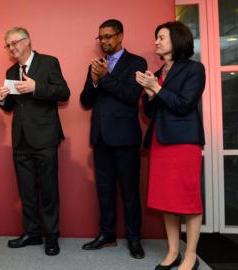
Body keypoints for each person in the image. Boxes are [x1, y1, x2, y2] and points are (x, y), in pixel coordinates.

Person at [135, 21, 205, 270]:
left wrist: (155, 87)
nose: (156, 42)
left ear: (177, 39)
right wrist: (150, 92)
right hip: (160, 140)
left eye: (161, 37)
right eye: (156, 38)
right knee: (167, 199)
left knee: (188, 199)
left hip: (184, 142)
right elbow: (151, 110)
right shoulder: (158, 71)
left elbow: (185, 104)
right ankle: (173, 251)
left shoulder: (195, 69)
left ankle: (191, 255)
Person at [0, 27, 70, 256]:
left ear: (27, 41)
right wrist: (2, 100)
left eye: (15, 43)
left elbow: (63, 92)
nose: (11, 48)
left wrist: (36, 87)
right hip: (21, 139)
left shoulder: (48, 62)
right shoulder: (11, 70)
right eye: (8, 45)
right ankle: (32, 233)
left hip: (45, 137)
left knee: (48, 190)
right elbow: (12, 106)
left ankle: (51, 236)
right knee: (26, 191)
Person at [80, 19, 147, 259]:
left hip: (126, 138)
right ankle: (107, 234)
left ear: (120, 36)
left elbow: (131, 96)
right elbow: (86, 100)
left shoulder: (137, 62)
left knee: (130, 192)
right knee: (105, 191)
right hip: (100, 138)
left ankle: (134, 239)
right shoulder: (96, 65)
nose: (104, 41)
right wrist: (95, 80)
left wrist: (105, 77)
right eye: (101, 38)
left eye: (108, 36)